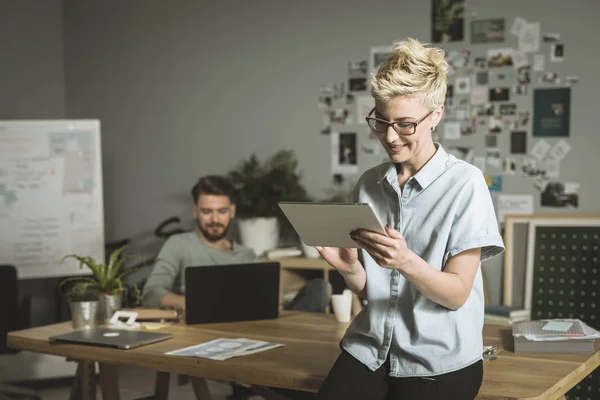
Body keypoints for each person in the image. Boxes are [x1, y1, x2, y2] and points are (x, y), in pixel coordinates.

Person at [315, 38, 505, 400]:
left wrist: (406, 262)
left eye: (405, 124)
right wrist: (350, 269)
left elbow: (456, 295)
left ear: (436, 115)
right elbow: (378, 294)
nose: (389, 136)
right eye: (381, 121)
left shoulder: (465, 184)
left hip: (439, 360)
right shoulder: (369, 183)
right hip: (370, 349)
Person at [142, 174, 331, 313]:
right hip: (201, 329)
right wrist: (190, 303)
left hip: (251, 328)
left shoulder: (246, 254)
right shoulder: (179, 245)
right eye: (207, 211)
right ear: (195, 212)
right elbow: (151, 293)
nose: (215, 219)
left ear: (232, 211)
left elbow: (265, 299)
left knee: (320, 288)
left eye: (222, 211)